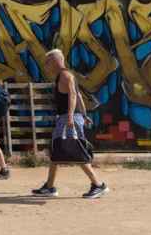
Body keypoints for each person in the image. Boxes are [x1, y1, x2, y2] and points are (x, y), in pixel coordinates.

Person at [31, 49, 109, 199]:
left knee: (76, 152)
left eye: (48, 62)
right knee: (56, 151)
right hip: (68, 118)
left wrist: (71, 116)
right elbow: (78, 95)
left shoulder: (65, 75)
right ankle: (49, 187)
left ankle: (98, 185)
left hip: (67, 118)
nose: (46, 65)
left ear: (55, 61)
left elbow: (73, 95)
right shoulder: (66, 75)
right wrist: (84, 115)